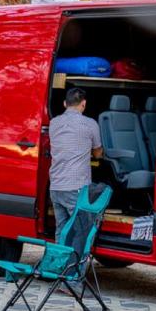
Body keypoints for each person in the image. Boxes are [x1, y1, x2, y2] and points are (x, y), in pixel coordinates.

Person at [47, 87, 103, 240]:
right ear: (83, 104)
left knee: (62, 228)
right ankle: (78, 264)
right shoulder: (90, 124)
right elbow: (98, 153)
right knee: (81, 231)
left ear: (65, 103)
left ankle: (60, 263)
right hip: (75, 187)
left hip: (56, 186)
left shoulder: (54, 123)